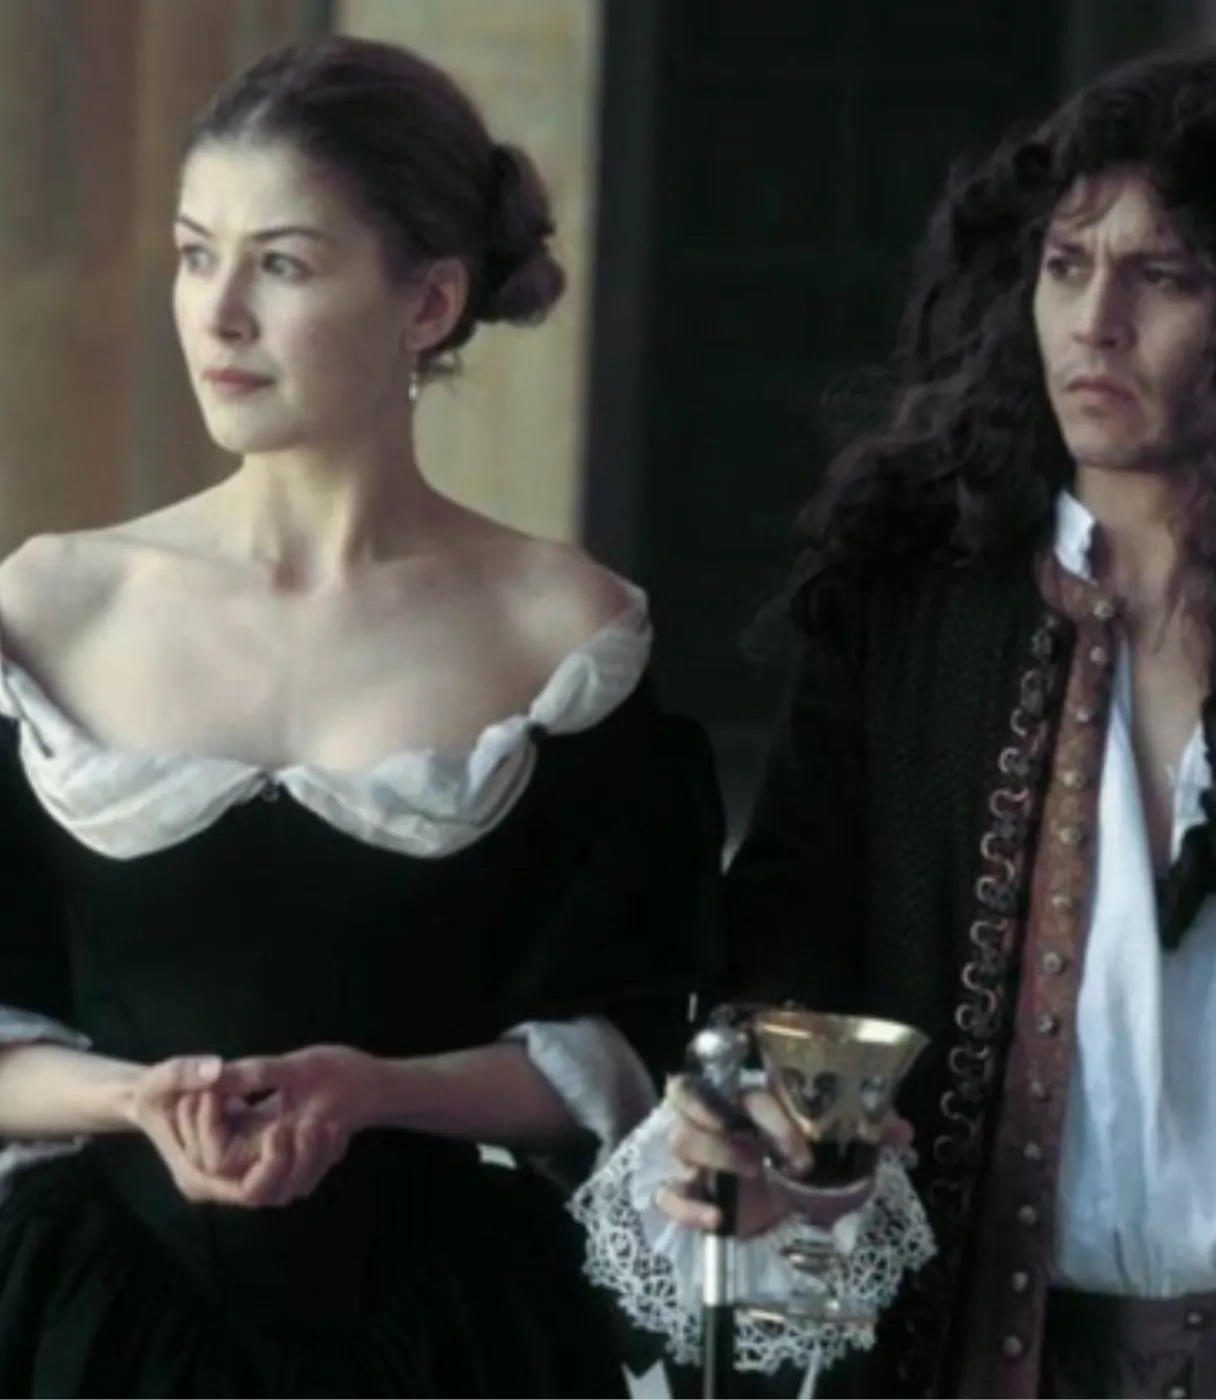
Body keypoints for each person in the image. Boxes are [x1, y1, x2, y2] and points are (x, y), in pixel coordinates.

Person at [572, 43, 1216, 1400]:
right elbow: (797, 929)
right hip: (1005, 1355)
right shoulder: (919, 609)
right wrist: (770, 1108)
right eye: (1066, 266)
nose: (1095, 322)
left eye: (1165, 277)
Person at [0, 34, 723, 1398]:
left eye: (282, 264)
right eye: (194, 254)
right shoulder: (47, 605)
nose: (218, 316)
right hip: (88, 1333)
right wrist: (134, 1100)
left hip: (447, 1340)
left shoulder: (563, 631)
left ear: (428, 302)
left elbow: (618, 1047)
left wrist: (376, 1088)